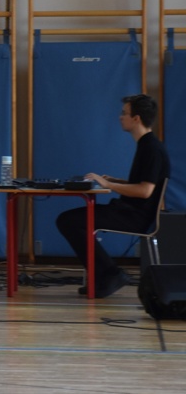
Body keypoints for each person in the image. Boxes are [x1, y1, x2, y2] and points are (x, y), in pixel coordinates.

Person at [56, 94, 170, 298]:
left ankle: (110, 274)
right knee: (70, 220)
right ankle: (103, 276)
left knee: (68, 221)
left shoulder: (151, 149)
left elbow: (145, 191)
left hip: (135, 216)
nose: (120, 117)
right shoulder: (147, 144)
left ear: (136, 118)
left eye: (124, 113)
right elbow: (143, 183)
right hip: (129, 210)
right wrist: (116, 181)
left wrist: (109, 185)